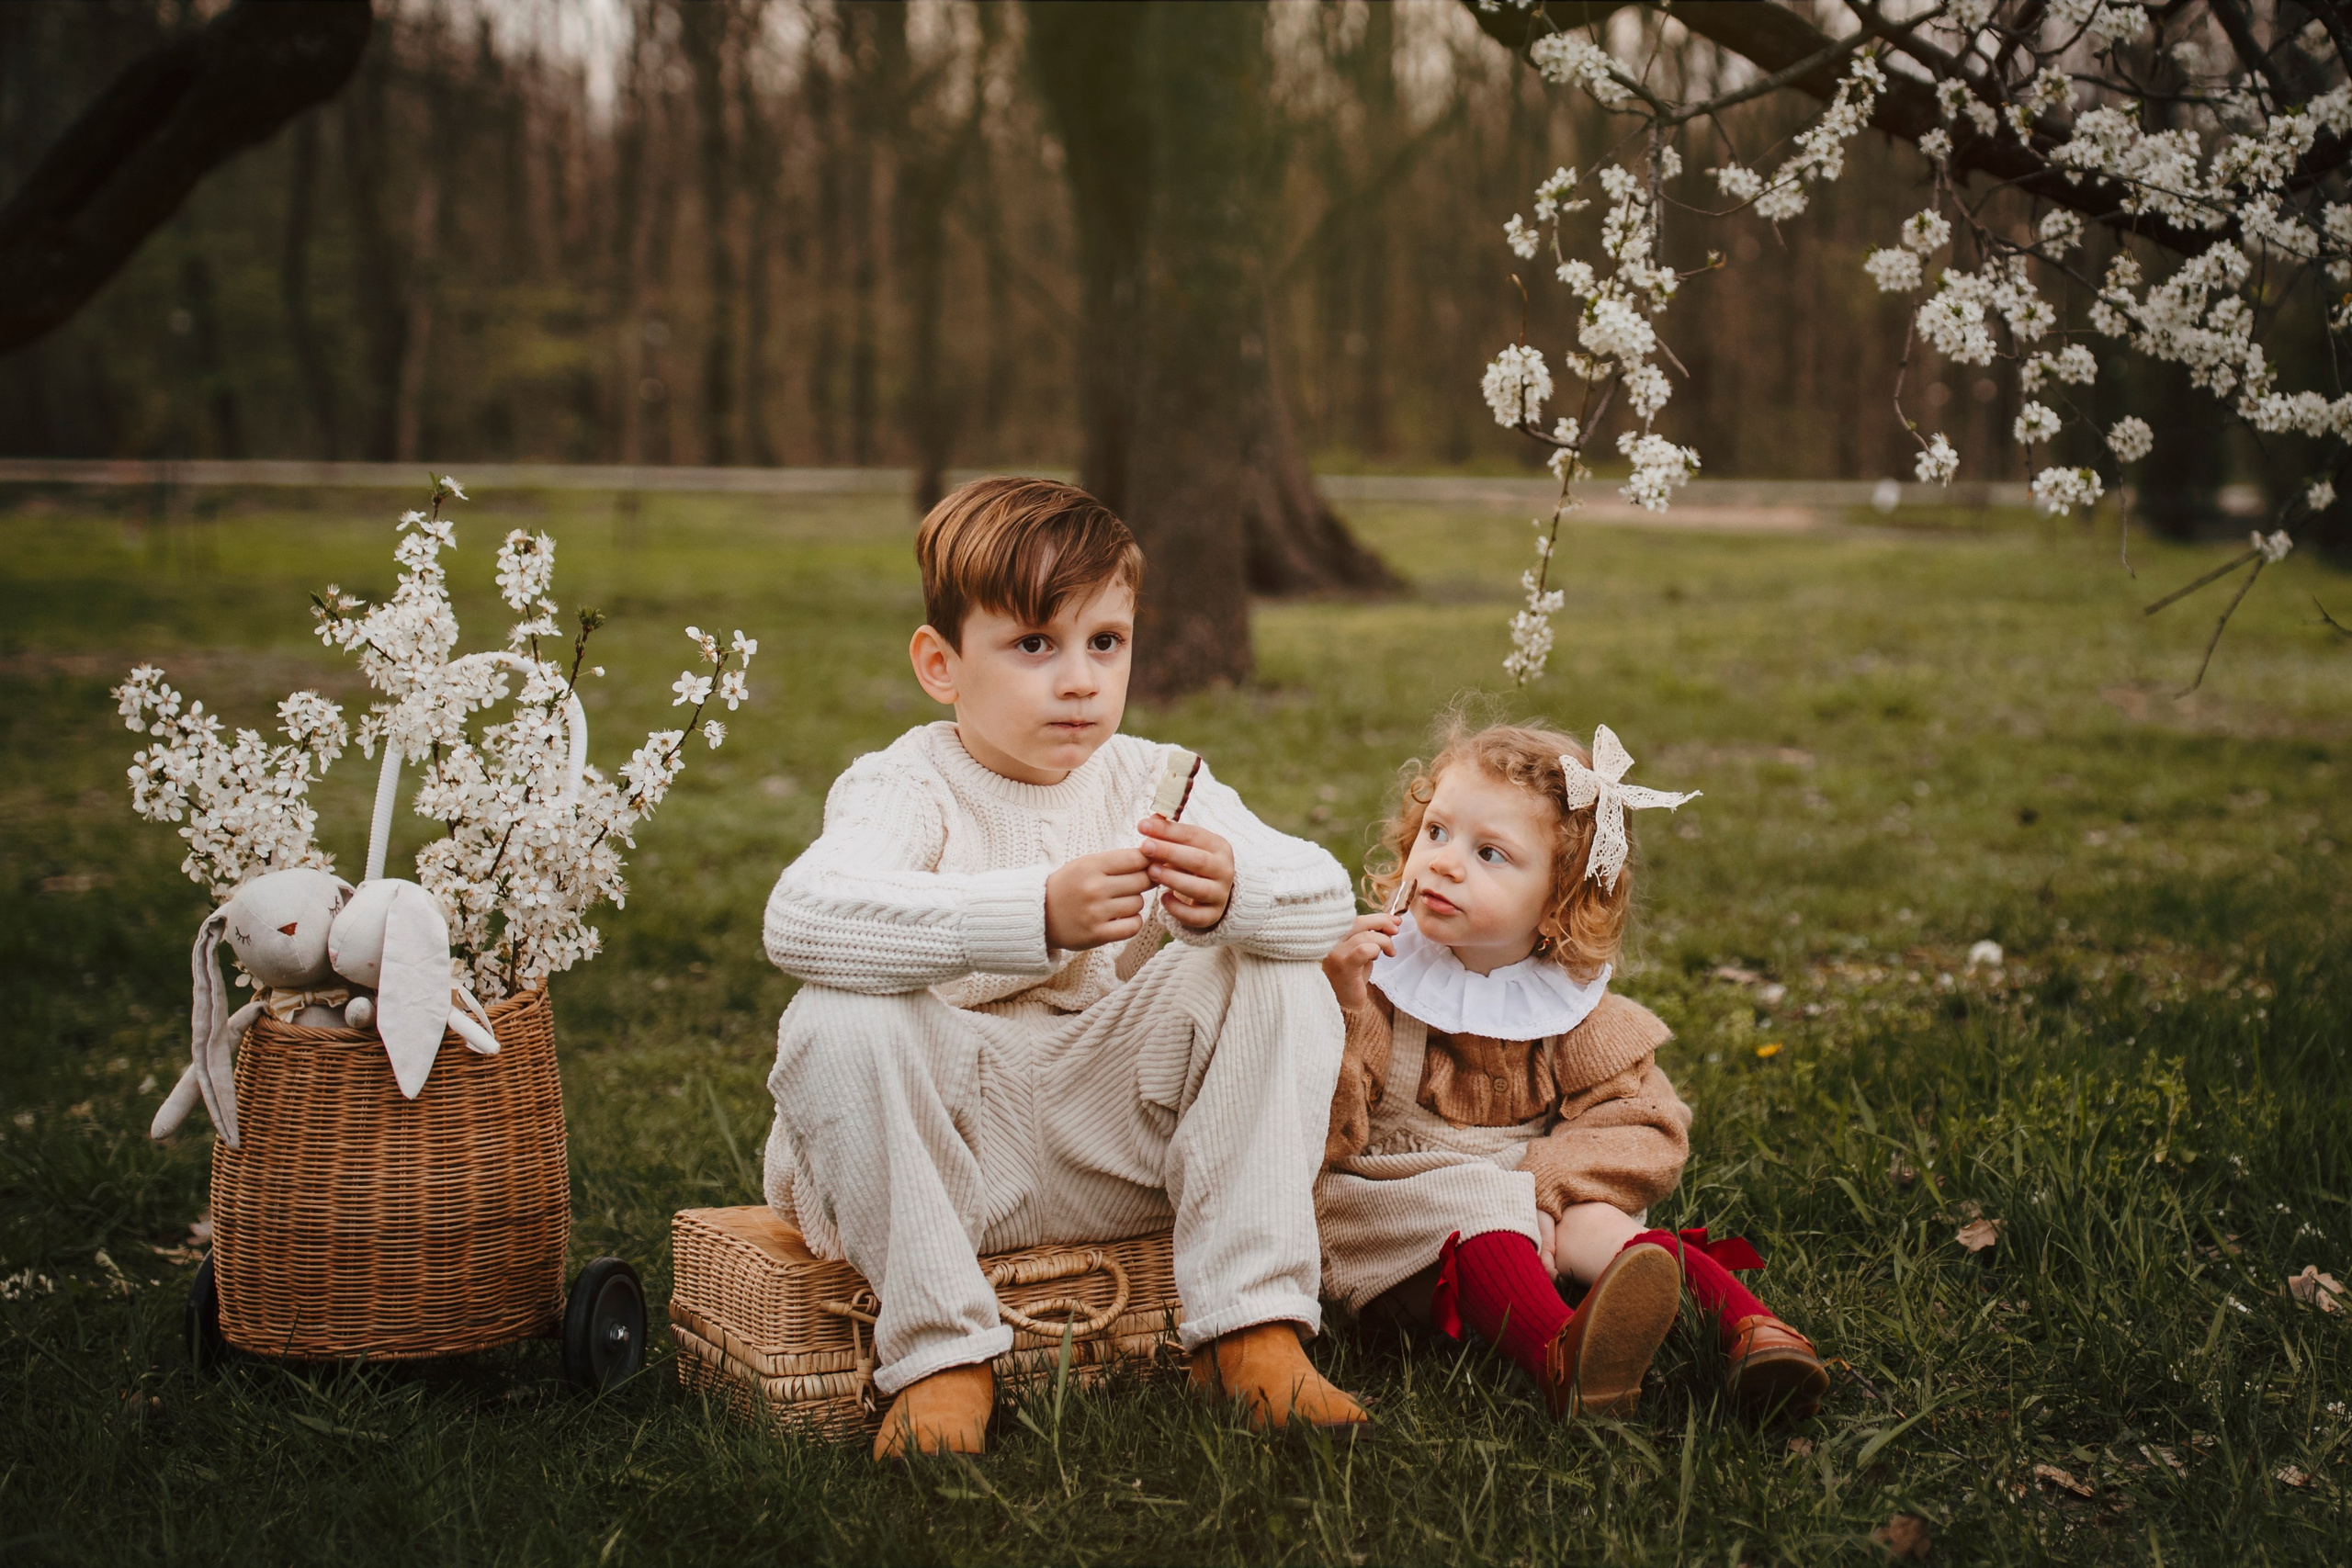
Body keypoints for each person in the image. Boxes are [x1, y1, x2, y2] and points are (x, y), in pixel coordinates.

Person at [761, 476, 1370, 1461]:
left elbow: (1323, 894)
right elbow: (802, 916)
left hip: (1109, 1146)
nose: (1080, 680)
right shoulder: (905, 784)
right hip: (937, 1153)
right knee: (834, 1016)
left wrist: (1234, 894)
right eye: (1034, 645)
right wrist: (1030, 913)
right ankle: (939, 1358)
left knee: (1274, 967)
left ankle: (1250, 1331)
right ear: (940, 664)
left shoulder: (1155, 779)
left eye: (1105, 643)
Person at [1317, 719, 1827, 1421]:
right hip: (1402, 1216)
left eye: (1489, 852)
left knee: (1596, 1220)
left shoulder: (1571, 1010)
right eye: (1436, 831)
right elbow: (1324, 1133)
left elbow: (1643, 1128)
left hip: (1533, 1204)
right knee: (1482, 1203)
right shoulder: (1375, 981)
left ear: (1559, 898)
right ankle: (1561, 1352)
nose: (1443, 861)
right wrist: (1338, 1008)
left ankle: (1749, 1327)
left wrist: (1545, 1187)